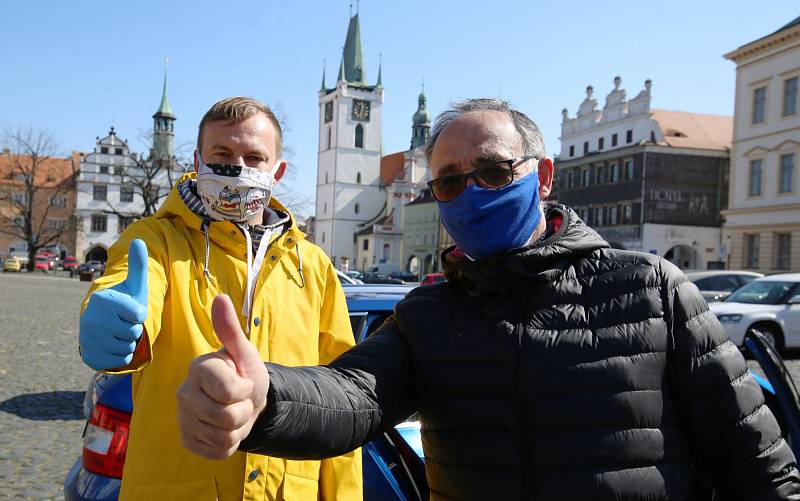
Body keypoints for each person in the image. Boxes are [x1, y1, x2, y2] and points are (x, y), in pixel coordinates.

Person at [177, 98, 800, 500]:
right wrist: (266, 399)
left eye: (495, 172)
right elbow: (353, 398)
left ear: (543, 176)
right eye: (449, 182)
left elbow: (753, 455)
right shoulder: (428, 315)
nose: (471, 192)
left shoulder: (650, 288)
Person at [78, 97, 362, 500]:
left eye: (254, 157)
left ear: (277, 171)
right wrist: (115, 317)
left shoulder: (312, 265)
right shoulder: (154, 240)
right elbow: (131, 282)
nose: (238, 169)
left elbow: (339, 392)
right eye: (223, 154)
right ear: (198, 160)